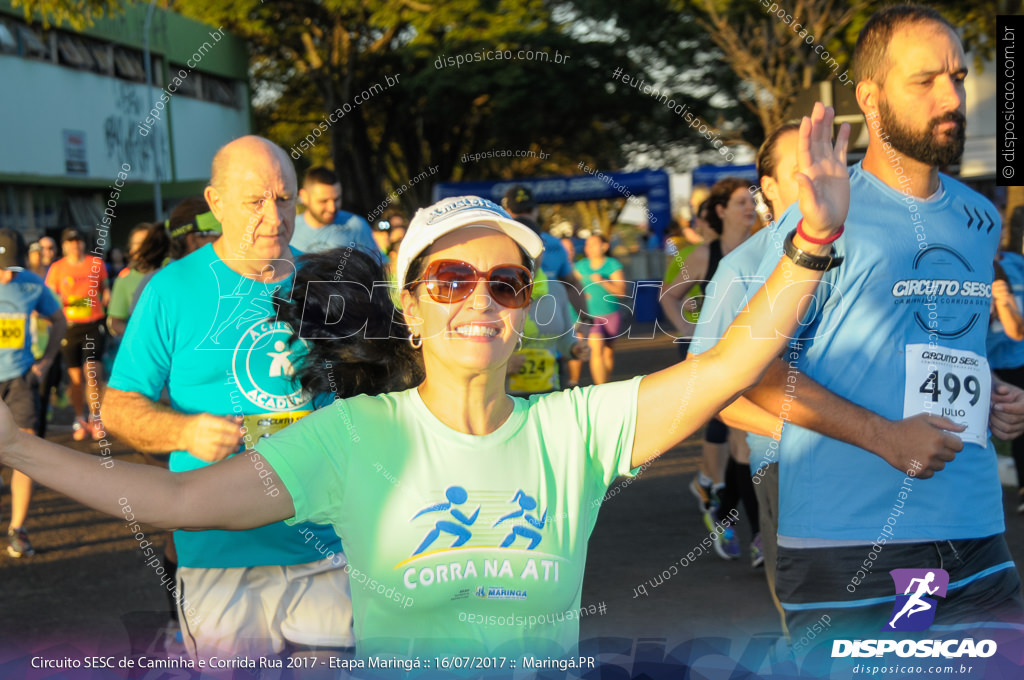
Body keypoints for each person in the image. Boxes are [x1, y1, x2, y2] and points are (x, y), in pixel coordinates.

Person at [0, 103, 851, 660]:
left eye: (506, 282)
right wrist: (18, 445)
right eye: (449, 281)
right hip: (232, 572)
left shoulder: (574, 431)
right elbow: (179, 505)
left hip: (321, 579)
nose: (479, 300)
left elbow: (728, 365)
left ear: (523, 310)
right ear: (408, 306)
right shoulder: (358, 437)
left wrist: (810, 243)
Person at [717, 4, 1024, 642]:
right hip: (849, 539)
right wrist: (884, 435)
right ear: (871, 99)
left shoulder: (978, 215)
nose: (952, 96)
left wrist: (995, 397)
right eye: (925, 80)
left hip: (974, 527)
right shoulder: (820, 218)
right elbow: (741, 376)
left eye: (959, 77)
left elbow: (945, 346)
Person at [99, 136, 352, 661]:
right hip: (219, 548)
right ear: (215, 203)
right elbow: (118, 407)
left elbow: (369, 388)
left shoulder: (326, 280)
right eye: (254, 201)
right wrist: (184, 431)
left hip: (325, 542)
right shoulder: (171, 290)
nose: (273, 217)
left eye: (283, 200)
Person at [0, 229, 66, 557]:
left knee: (24, 450)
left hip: (19, 379)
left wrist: (48, 360)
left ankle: (18, 528)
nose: (5, 276)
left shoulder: (31, 283)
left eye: (11, 269)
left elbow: (59, 319)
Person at [44, 228, 109, 441]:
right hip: (69, 329)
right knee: (75, 380)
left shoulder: (96, 264)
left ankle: (96, 418)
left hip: (91, 325)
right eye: (70, 241)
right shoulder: (57, 268)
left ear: (83, 243)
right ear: (64, 245)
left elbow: (105, 290)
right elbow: (50, 296)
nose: (75, 245)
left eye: (78, 241)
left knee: (93, 374)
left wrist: (105, 301)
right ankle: (79, 418)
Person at [128, 198, 220, 316]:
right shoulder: (157, 284)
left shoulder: (221, 277)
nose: (225, 243)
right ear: (193, 240)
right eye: (219, 236)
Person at [575, 233, 626, 385]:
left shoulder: (612, 265)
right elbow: (571, 288)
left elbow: (622, 292)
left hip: (611, 315)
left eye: (593, 244)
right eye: (587, 245)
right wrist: (581, 294)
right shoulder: (580, 266)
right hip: (590, 317)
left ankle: (606, 383)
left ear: (604, 246)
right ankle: (600, 389)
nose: (588, 248)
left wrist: (604, 281)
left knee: (608, 353)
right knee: (596, 351)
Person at [291, 166, 376, 255]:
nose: (332, 208)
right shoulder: (288, 230)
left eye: (336, 199)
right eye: (324, 201)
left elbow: (375, 266)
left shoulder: (357, 226)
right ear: (304, 196)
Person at [107, 223, 152, 338]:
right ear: (131, 250)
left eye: (149, 242)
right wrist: (139, 337)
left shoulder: (171, 273)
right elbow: (116, 322)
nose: (144, 247)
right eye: (139, 244)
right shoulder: (124, 280)